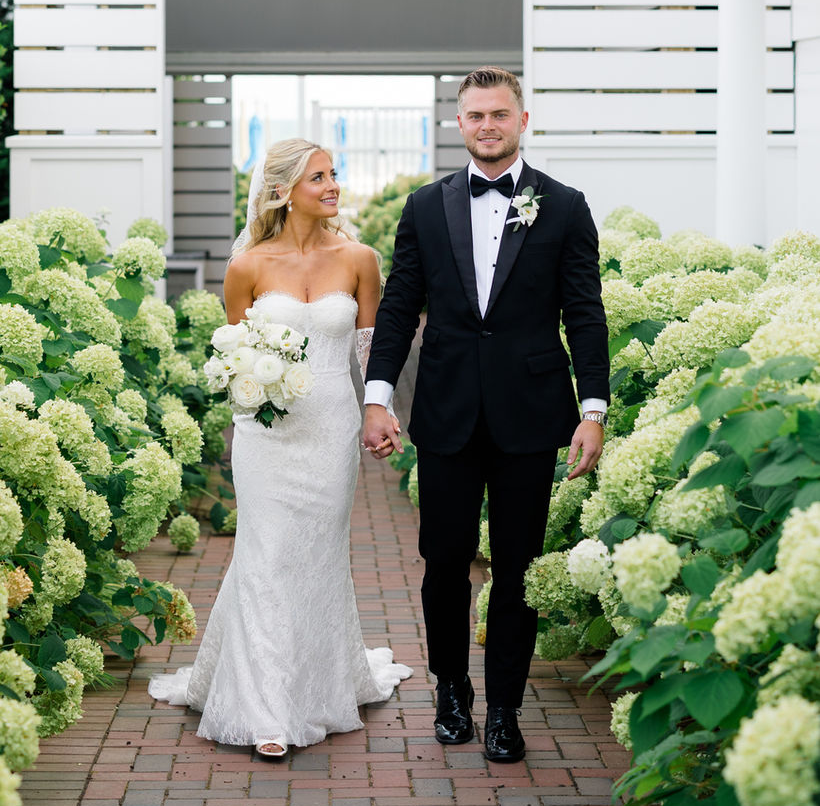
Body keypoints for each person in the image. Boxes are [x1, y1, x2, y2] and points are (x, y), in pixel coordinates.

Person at [362, 67, 609, 764]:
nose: (488, 126)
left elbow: (585, 315)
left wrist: (593, 409)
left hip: (534, 415)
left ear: (522, 121)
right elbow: (399, 309)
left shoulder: (563, 206)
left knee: (518, 566)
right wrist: (378, 398)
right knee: (442, 561)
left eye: (500, 114)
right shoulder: (424, 206)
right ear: (460, 124)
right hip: (444, 413)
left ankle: (504, 709)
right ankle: (450, 691)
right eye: (475, 116)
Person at [148, 138, 410, 759]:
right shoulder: (248, 267)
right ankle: (265, 709)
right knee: (264, 556)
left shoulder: (360, 259)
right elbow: (231, 355)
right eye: (317, 177)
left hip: (330, 429)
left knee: (317, 555)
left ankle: (319, 683)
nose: (332, 186)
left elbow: (372, 352)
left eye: (333, 174)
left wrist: (382, 410)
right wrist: (253, 394)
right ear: (282, 190)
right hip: (267, 434)